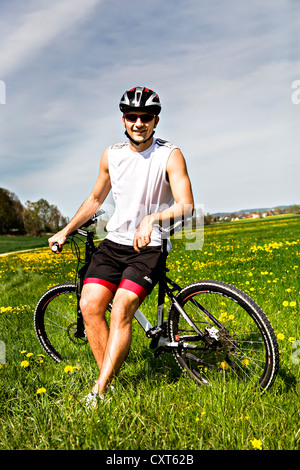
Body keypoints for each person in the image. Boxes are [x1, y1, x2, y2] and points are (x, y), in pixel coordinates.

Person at [48, 86, 194, 406]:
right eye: (132, 116)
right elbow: (96, 198)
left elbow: (186, 206)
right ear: (123, 119)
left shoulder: (170, 154)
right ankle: (109, 381)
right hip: (113, 244)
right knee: (90, 305)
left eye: (146, 117)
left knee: (122, 310)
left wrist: (153, 219)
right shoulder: (111, 154)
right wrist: (65, 230)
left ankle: (99, 392)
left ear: (156, 121)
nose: (139, 122)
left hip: (150, 245)